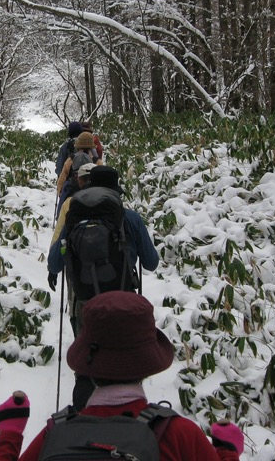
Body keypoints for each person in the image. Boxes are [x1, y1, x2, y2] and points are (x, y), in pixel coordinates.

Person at [0, 291, 245, 461]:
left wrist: (10, 434)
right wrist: (227, 452)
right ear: (148, 364)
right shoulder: (179, 435)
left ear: (85, 367)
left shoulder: (54, 434)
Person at [48, 165, 159, 409]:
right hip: (123, 305)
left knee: (86, 369)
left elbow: (54, 263)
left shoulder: (75, 217)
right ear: (116, 191)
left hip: (85, 305)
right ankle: (123, 422)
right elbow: (151, 262)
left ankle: (82, 423)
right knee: (122, 366)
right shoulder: (129, 218)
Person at [55, 131, 101, 214]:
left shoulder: (71, 160)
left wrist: (60, 191)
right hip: (93, 195)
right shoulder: (97, 161)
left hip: (72, 193)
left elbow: (62, 178)